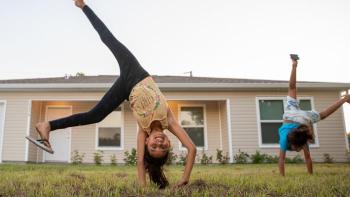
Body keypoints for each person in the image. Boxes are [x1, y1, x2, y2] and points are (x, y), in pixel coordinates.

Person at [26, 0, 196, 189]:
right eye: (162, 147)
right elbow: (191, 148)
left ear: (146, 142)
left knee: (94, 115)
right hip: (135, 71)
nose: (158, 143)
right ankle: (83, 6)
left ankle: (47, 125)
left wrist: (142, 187)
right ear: (169, 143)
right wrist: (185, 178)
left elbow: (140, 161)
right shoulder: (169, 121)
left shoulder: (142, 130)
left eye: (154, 147)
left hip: (126, 89)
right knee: (109, 39)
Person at [278, 55, 350, 176]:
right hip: (295, 117)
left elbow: (281, 160)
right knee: (292, 89)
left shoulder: (289, 140)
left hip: (299, 118)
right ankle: (294, 65)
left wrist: (282, 177)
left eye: (297, 148)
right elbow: (306, 158)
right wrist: (310, 175)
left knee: (323, 114)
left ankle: (294, 65)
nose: (297, 150)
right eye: (299, 149)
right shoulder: (301, 137)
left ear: (294, 143)